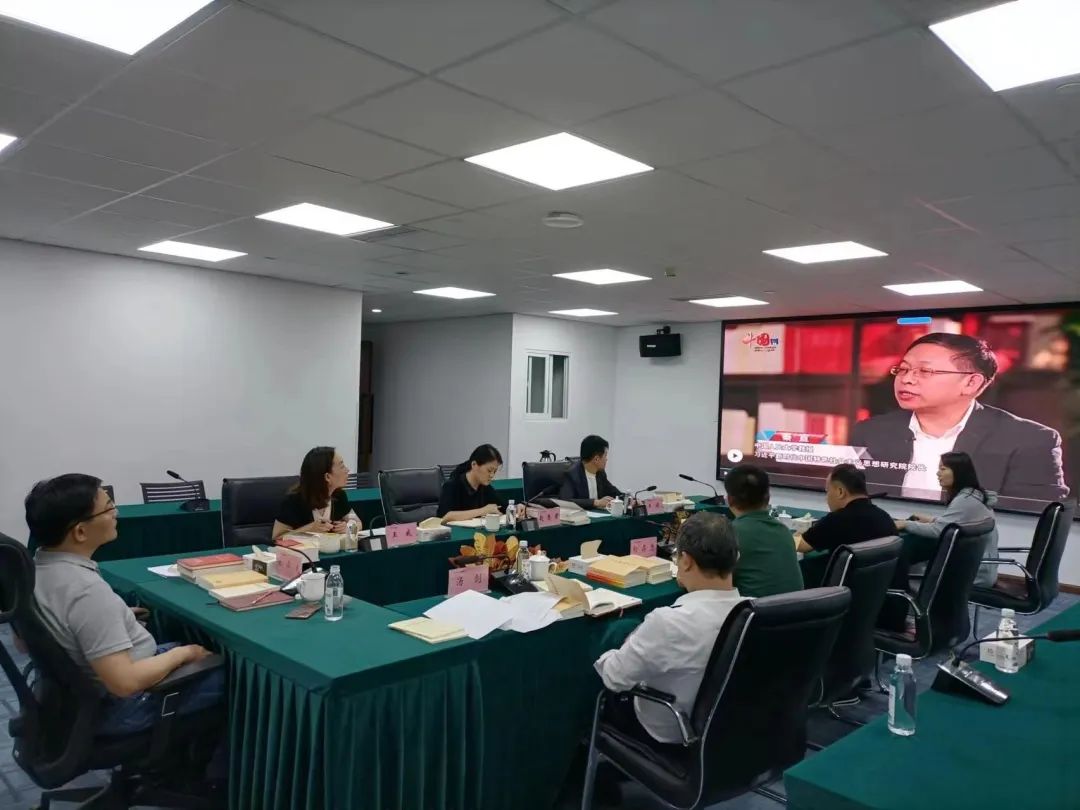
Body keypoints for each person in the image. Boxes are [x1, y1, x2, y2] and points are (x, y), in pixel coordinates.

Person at [25, 474, 224, 739]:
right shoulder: (87, 591)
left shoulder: (32, 571)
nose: (116, 513)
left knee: (189, 649)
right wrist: (185, 654)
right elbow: (124, 683)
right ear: (80, 532)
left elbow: (27, 640)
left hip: (71, 699)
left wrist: (111, 619)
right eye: (108, 508)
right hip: (120, 707)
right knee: (233, 678)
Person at [850, 332, 1067, 505]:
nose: (907, 379)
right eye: (903, 369)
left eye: (925, 371)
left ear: (971, 383)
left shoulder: (1030, 440)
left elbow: (1036, 521)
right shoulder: (870, 432)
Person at [593, 512, 745, 744]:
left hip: (673, 731)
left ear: (686, 560)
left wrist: (612, 652)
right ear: (736, 558)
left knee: (616, 635)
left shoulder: (668, 622)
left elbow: (614, 678)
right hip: (734, 727)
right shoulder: (757, 614)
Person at [894, 451, 999, 587]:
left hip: (973, 572)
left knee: (906, 547)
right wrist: (933, 520)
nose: (938, 473)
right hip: (976, 566)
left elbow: (939, 531)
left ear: (959, 472)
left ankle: (898, 591)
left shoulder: (966, 499)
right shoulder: (973, 496)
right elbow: (956, 523)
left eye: (943, 469)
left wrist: (905, 524)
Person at [723, 464, 803, 597]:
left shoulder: (729, 535)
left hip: (752, 609)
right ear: (768, 497)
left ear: (729, 500)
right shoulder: (783, 531)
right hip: (795, 608)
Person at [795, 464, 896, 555]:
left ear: (840, 492)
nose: (827, 498)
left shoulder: (837, 520)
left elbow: (799, 545)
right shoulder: (884, 517)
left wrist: (796, 534)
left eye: (827, 491)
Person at [272, 446, 360, 540]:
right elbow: (277, 537)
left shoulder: (339, 495)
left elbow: (358, 522)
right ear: (327, 477)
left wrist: (349, 527)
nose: (347, 470)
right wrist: (309, 529)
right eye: (342, 466)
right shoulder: (293, 501)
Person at [437, 444, 524, 522]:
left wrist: (516, 508)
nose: (492, 475)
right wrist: (483, 511)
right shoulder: (452, 485)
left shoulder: (484, 487)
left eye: (494, 471)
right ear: (474, 465)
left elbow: (502, 507)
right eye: (489, 470)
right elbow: (444, 517)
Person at [559, 435, 623, 510]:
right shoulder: (572, 475)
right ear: (596, 459)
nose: (606, 459)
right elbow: (565, 501)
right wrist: (596, 502)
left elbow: (613, 492)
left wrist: (628, 499)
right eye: (605, 456)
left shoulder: (600, 473)